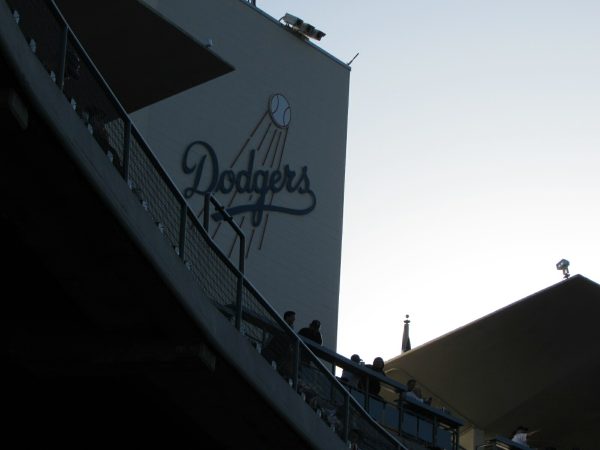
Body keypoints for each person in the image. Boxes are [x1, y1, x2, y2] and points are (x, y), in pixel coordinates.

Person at [261, 310, 296, 378]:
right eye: (292, 318)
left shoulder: (291, 330)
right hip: (272, 349)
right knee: (265, 363)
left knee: (274, 368)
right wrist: (265, 346)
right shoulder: (279, 325)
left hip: (281, 354)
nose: (294, 320)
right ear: (287, 317)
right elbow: (271, 336)